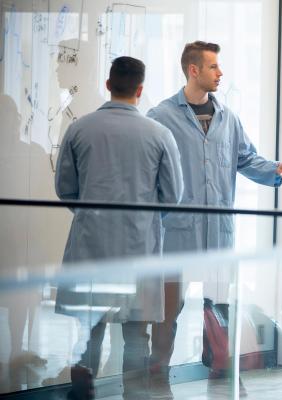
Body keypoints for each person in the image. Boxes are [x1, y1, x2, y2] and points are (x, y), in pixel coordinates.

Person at [146, 41, 282, 396]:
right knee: (168, 310)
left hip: (219, 233)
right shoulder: (161, 117)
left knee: (220, 308)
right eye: (214, 66)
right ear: (193, 70)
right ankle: (158, 375)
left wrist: (278, 170)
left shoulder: (228, 118)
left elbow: (246, 159)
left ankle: (223, 371)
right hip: (177, 234)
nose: (220, 73)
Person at [54, 56, 184, 399]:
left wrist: (89, 216)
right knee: (136, 337)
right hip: (138, 250)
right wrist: (144, 221)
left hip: (90, 247)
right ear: (140, 89)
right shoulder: (159, 134)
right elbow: (173, 195)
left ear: (109, 85)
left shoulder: (79, 129)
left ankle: (82, 397)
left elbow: (65, 188)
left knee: (87, 333)